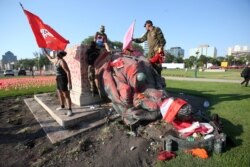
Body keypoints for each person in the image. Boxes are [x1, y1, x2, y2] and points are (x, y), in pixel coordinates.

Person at [44, 49, 73, 116]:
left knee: (66, 95)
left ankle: (70, 110)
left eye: (58, 53)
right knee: (59, 93)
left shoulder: (62, 61)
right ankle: (62, 106)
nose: (57, 54)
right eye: (57, 53)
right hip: (58, 78)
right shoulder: (55, 60)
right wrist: (46, 52)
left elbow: (68, 72)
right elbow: (50, 58)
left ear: (61, 55)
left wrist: (70, 83)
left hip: (63, 78)